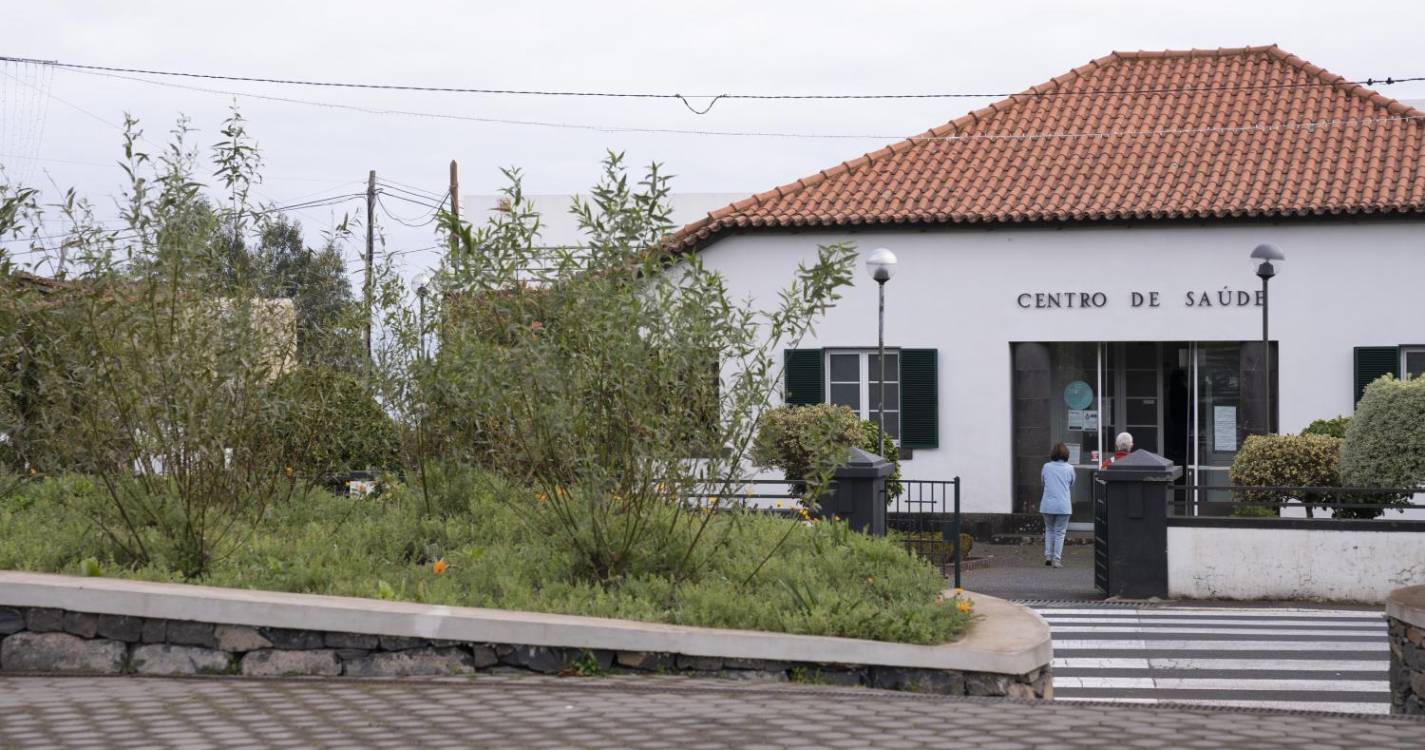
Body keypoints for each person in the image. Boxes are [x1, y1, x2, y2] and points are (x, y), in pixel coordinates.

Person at [1040, 442, 1074, 568]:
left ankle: (1048, 556)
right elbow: (1072, 483)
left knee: (1049, 530)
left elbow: (1043, 482)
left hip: (1047, 504)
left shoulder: (1046, 467)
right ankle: (1057, 559)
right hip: (1063, 505)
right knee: (1060, 532)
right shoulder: (1070, 468)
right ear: (1066, 454)